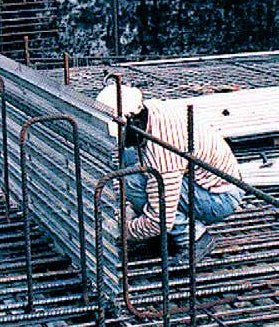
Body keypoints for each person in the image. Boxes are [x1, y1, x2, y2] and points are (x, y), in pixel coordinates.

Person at [96, 84, 245, 264]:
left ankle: (194, 238)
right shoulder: (148, 111)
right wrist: (126, 207)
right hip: (201, 181)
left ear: (131, 119)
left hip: (219, 197)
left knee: (134, 182)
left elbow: (160, 218)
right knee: (129, 163)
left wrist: (126, 230)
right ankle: (165, 230)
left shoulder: (162, 151)